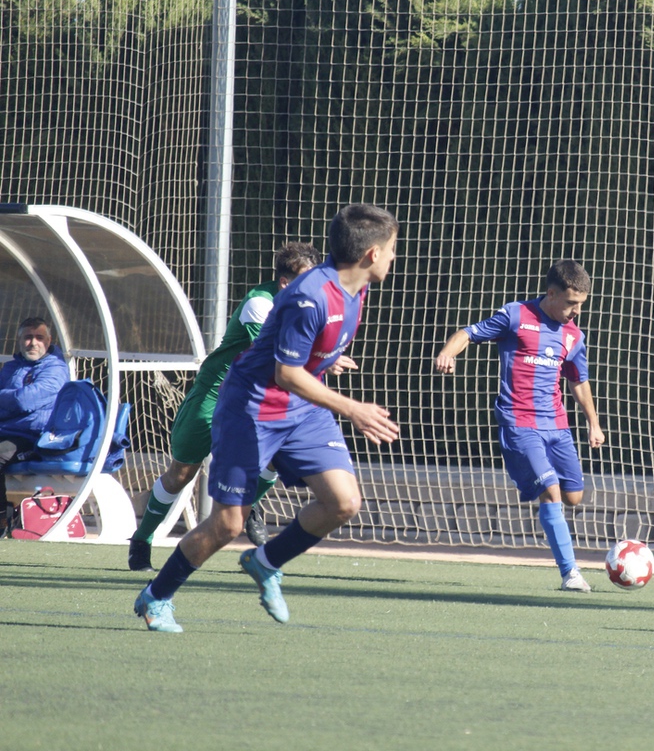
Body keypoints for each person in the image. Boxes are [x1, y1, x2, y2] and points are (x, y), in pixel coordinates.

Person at [133, 204, 401, 632]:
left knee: (344, 502)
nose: (393, 257)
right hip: (252, 408)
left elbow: (303, 364)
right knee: (227, 523)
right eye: (391, 249)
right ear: (371, 254)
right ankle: (156, 597)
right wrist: (353, 409)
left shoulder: (358, 287)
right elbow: (286, 373)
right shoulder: (310, 296)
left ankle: (265, 561)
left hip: (302, 409)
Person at [128, 242, 324, 571]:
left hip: (259, 398)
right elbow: (281, 355)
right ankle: (142, 540)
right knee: (181, 474)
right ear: (285, 283)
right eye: (308, 279)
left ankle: (250, 506)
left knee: (278, 455)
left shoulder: (310, 304)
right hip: (217, 392)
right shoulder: (259, 304)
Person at [435, 260, 605, 591]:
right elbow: (467, 334)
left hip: (557, 425)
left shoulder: (574, 335)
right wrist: (448, 352)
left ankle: (547, 499)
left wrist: (593, 425)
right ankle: (570, 574)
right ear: (551, 294)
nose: (576, 312)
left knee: (573, 497)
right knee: (551, 492)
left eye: (581, 305)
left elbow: (579, 383)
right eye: (571, 304)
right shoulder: (515, 315)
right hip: (519, 423)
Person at [0, 317, 70, 536]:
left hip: (35, 438)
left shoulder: (56, 369)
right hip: (7, 431)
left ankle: (2, 518)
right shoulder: (11, 368)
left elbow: (26, 400)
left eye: (39, 338)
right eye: (28, 337)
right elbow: (20, 399)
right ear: (19, 340)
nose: (33, 343)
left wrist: (8, 400)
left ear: (48, 341)